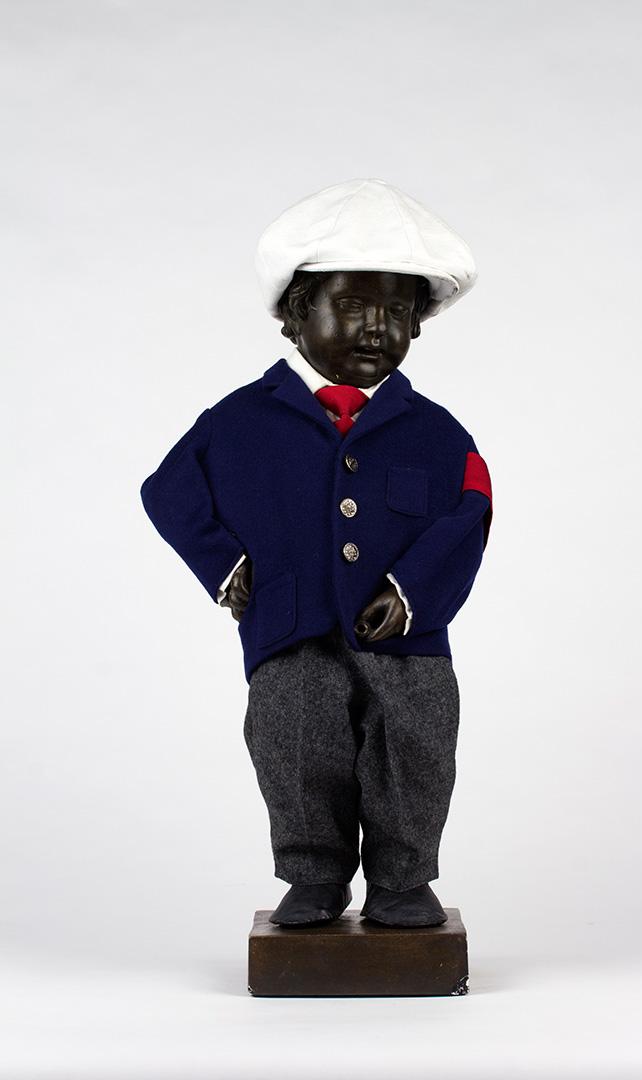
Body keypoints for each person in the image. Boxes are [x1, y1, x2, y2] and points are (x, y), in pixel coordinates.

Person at [140, 179, 493, 928]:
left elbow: (470, 511)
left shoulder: (436, 432)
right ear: (297, 313)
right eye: (353, 306)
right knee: (294, 746)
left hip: (406, 639)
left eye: (396, 312)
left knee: (415, 746)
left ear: (418, 324)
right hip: (288, 625)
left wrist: (413, 591)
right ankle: (313, 875)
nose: (376, 328)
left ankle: (403, 879)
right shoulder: (238, 421)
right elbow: (170, 490)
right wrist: (225, 567)